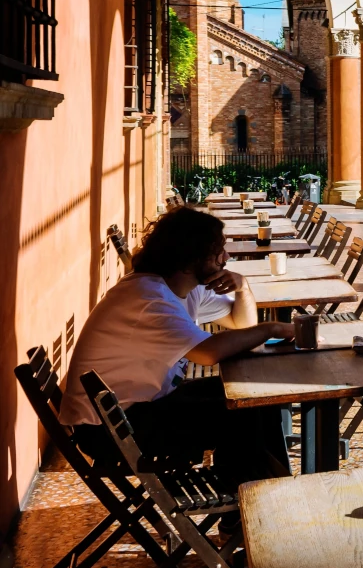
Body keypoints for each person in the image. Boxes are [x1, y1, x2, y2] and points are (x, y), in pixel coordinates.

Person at [61, 207, 294, 489]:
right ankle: (254, 494)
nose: (226, 258)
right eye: (217, 252)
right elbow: (208, 353)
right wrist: (273, 328)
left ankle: (266, 489)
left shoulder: (182, 287)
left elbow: (240, 323)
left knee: (255, 395)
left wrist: (243, 288)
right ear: (189, 259)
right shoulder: (149, 298)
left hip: (136, 408)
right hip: (110, 430)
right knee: (241, 413)